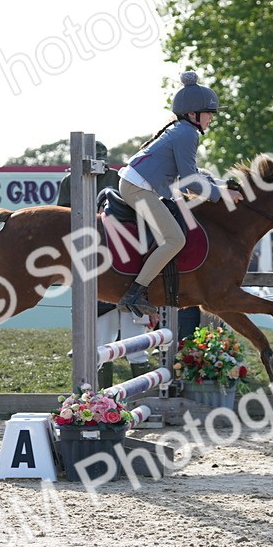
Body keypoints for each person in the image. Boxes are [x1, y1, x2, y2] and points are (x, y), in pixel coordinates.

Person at [115, 71, 243, 317]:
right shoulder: (188, 133)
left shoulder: (182, 129)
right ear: (193, 113)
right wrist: (222, 196)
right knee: (175, 239)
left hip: (138, 184)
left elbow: (194, 174)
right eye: (208, 113)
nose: (210, 119)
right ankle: (135, 293)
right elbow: (189, 182)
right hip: (137, 188)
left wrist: (220, 185)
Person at [57, 143, 153, 387]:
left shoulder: (119, 183)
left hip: (129, 279)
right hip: (93, 266)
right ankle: (103, 403)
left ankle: (141, 394)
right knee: (101, 345)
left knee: (136, 346)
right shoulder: (70, 182)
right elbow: (63, 216)